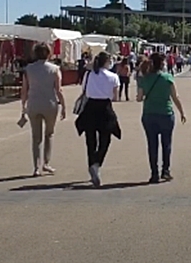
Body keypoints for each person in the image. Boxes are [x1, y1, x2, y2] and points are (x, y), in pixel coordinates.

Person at [137, 53, 187, 183]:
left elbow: (139, 98)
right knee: (167, 143)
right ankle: (166, 170)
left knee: (152, 144)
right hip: (166, 113)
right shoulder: (168, 77)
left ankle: (154, 173)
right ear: (162, 64)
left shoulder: (145, 79)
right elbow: (175, 97)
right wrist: (182, 112)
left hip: (149, 114)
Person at [75, 52, 121, 187]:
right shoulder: (113, 77)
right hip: (105, 108)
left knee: (90, 140)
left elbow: (84, 89)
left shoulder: (88, 74)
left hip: (90, 107)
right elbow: (115, 97)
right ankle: (97, 163)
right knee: (105, 138)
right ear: (107, 62)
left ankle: (92, 165)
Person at [22, 44, 66, 177]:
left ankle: (36, 167)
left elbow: (24, 89)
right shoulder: (55, 69)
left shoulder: (28, 69)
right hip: (50, 104)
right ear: (49, 54)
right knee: (49, 134)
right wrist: (63, 105)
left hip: (33, 104)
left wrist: (23, 107)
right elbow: (58, 90)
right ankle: (46, 163)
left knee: (36, 137)